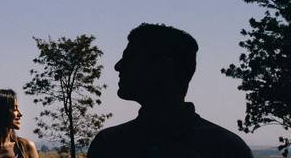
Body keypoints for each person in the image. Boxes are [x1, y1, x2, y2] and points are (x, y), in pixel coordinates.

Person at [87, 23, 253, 158]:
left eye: (130, 57)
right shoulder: (227, 146)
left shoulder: (110, 144)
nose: (118, 66)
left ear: (162, 67)